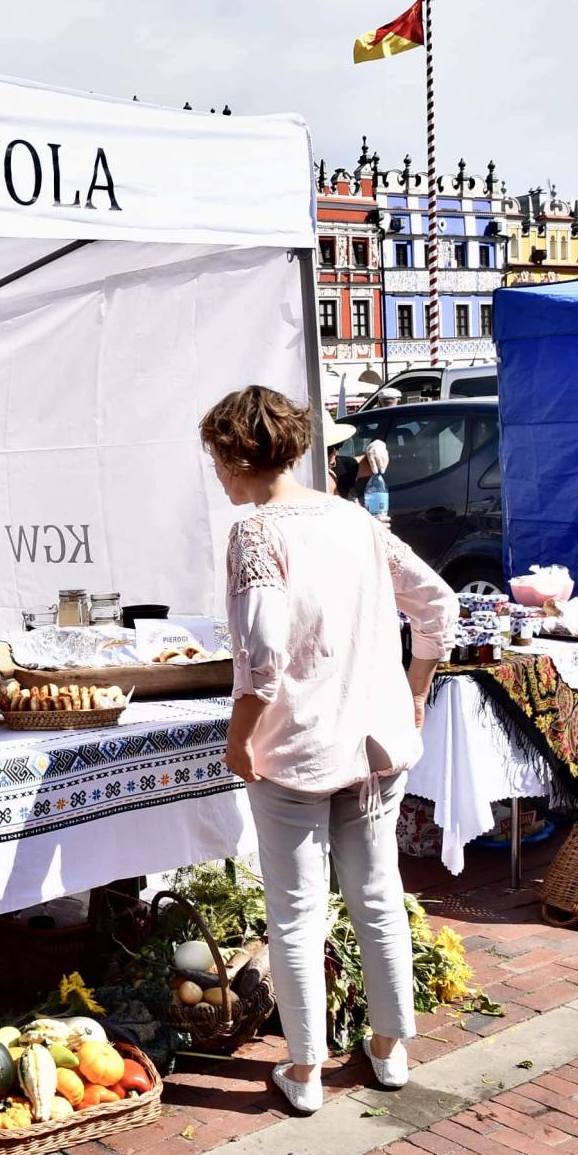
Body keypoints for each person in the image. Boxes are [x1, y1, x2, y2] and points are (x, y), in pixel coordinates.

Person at [200, 385, 457, 1115]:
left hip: (295, 748)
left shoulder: (256, 533)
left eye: (219, 460)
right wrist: (414, 686)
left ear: (239, 455)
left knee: (296, 909)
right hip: (372, 741)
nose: (218, 475)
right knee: (377, 896)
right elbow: (438, 603)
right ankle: (389, 1049)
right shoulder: (356, 520)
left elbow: (263, 654)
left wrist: (238, 737)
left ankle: (306, 1068)